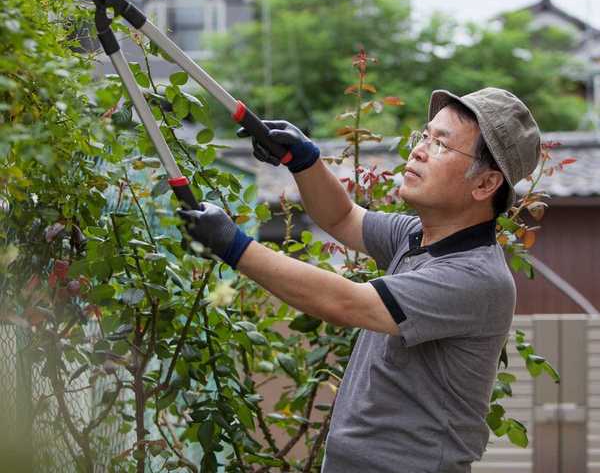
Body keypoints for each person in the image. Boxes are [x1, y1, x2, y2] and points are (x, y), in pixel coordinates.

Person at [179, 87, 541, 473]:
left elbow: (347, 302)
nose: (418, 150)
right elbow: (342, 218)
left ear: (485, 185)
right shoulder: (416, 236)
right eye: (426, 136)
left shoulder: (475, 277)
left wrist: (234, 246)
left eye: (441, 146)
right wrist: (303, 160)